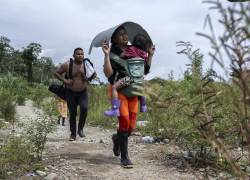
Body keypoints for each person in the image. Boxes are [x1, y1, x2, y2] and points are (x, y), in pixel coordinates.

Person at [102, 26, 155, 167]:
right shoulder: (113, 53)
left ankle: (117, 139)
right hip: (120, 92)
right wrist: (106, 55)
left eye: (125, 34)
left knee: (131, 126)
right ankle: (124, 157)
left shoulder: (135, 50)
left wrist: (150, 55)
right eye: (121, 35)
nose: (125, 37)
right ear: (114, 39)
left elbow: (145, 70)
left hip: (134, 92)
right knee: (124, 120)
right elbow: (108, 74)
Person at [104, 34, 149, 117]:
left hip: (130, 78)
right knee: (142, 89)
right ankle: (143, 106)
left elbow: (121, 56)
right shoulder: (144, 54)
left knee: (114, 88)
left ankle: (115, 109)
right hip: (140, 79)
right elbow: (146, 66)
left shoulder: (130, 49)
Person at [54, 48, 89, 141]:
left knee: (84, 108)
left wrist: (87, 78)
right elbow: (56, 73)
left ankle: (80, 129)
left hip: (83, 92)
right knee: (73, 113)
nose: (80, 55)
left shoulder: (87, 64)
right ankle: (73, 134)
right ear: (73, 55)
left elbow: (94, 75)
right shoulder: (67, 64)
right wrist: (65, 80)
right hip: (70, 92)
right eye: (78, 54)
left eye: (82, 54)